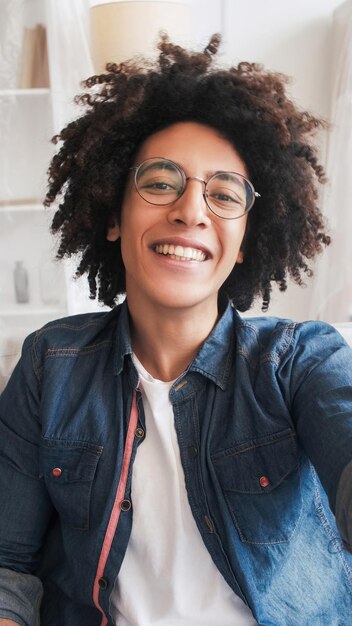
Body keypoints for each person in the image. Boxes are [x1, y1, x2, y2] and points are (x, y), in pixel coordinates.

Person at [0, 33, 351, 626]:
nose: (191, 211)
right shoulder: (48, 364)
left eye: (223, 194)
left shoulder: (300, 360)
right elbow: (8, 563)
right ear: (113, 215)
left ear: (244, 244)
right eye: (161, 183)